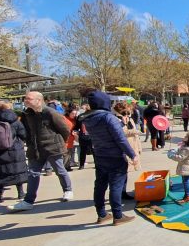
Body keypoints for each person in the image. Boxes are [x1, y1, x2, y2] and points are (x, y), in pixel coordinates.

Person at [79, 91, 139, 225]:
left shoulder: (88, 117)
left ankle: (102, 214)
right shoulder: (108, 117)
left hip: (100, 155)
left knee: (100, 186)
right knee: (116, 186)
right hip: (115, 156)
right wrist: (132, 155)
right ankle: (118, 216)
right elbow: (120, 139)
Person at [8, 91, 73, 212]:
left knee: (59, 170)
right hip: (35, 149)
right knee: (33, 173)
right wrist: (29, 142)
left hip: (53, 148)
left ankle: (67, 190)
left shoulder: (50, 112)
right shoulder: (27, 114)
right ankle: (28, 201)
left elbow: (65, 129)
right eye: (25, 98)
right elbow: (25, 130)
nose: (25, 101)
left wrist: (60, 142)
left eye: (29, 99)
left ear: (38, 100)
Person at [0, 102, 27, 203]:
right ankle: (20, 193)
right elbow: (23, 134)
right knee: (17, 171)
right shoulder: (15, 120)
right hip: (14, 149)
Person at [168, 131, 189, 204]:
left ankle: (187, 197)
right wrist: (183, 145)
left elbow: (180, 157)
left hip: (186, 168)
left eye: (186, 136)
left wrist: (171, 155)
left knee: (186, 181)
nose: (184, 137)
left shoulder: (186, 149)